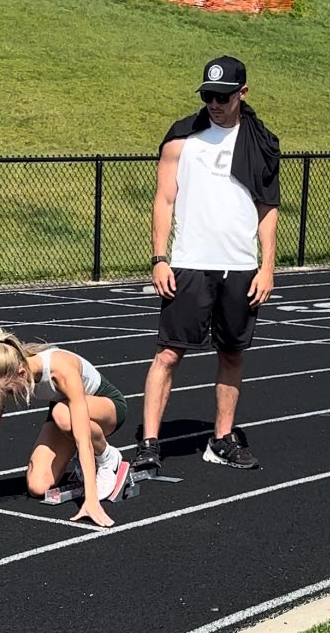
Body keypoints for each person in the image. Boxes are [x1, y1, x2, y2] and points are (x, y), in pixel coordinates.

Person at [131, 55, 280, 472]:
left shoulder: (262, 142)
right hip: (189, 263)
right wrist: (159, 259)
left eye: (222, 97)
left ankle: (222, 439)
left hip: (240, 266)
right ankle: (149, 443)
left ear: (242, 93)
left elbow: (267, 207)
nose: (214, 103)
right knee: (168, 354)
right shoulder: (182, 138)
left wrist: (268, 267)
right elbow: (164, 200)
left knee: (232, 354)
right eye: (208, 96)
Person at [0, 328, 127, 527]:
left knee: (63, 415)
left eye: (9, 391)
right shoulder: (7, 372)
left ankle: (107, 457)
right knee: (38, 486)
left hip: (106, 407)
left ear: (21, 373)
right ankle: (88, 460)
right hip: (64, 412)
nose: (8, 395)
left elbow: (82, 437)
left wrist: (91, 500)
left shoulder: (61, 370)